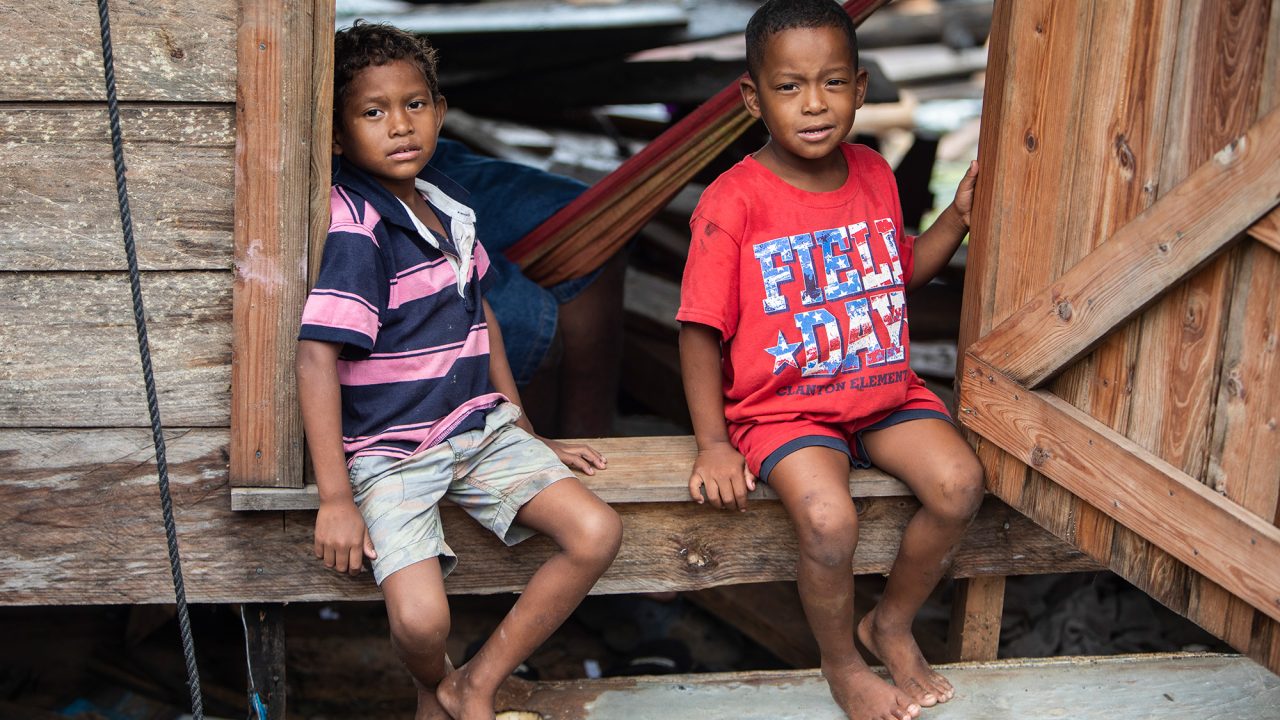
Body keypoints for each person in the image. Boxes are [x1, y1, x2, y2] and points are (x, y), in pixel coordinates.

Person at [296, 22, 622, 720]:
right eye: (373, 112)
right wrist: (335, 499)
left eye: (415, 105)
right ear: (336, 134)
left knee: (596, 533)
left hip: (479, 432)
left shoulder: (447, 209)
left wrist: (526, 429)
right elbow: (317, 356)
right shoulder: (356, 229)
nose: (400, 126)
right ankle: (432, 683)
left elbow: (485, 320)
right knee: (420, 623)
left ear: (441, 112)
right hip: (390, 456)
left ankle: (477, 683)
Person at [676, 2, 984, 719]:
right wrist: (713, 445)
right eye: (789, 87)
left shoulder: (874, 171)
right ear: (754, 98)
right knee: (828, 518)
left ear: (862, 88)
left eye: (832, 82)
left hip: (883, 393)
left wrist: (959, 216)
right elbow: (697, 330)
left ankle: (891, 622)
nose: (814, 104)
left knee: (961, 482)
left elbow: (898, 271)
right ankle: (842, 660)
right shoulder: (734, 200)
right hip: (784, 409)